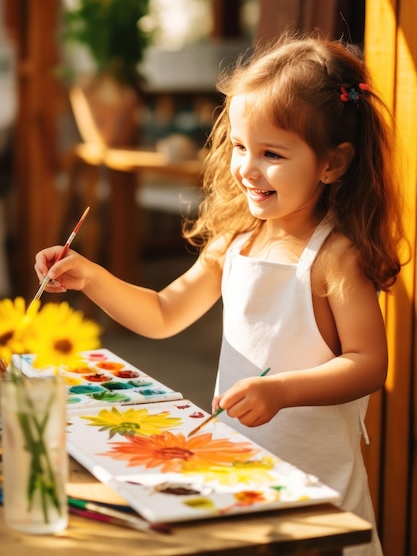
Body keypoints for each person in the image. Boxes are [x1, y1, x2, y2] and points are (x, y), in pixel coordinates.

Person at [35, 31, 406, 555]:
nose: (248, 169)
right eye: (239, 146)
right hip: (240, 478)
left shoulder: (335, 257)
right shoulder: (235, 240)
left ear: (332, 163)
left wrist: (282, 391)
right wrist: (91, 276)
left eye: (272, 154)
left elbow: (368, 363)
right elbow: (164, 313)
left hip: (317, 499)